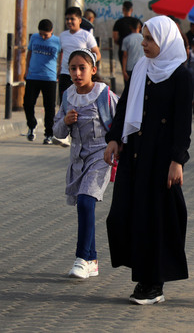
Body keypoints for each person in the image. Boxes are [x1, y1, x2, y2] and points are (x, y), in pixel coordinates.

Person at [103, 16, 193, 305]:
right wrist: (115, 138)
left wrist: (177, 160)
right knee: (126, 214)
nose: (143, 44)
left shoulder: (180, 75)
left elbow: (183, 123)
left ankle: (154, 283)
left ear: (165, 41)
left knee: (157, 218)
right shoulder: (142, 68)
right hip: (136, 153)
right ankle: (144, 276)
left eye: (150, 39)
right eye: (143, 38)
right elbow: (125, 106)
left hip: (161, 158)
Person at [53, 48, 118, 279]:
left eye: (82, 68)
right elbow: (57, 130)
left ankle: (81, 258)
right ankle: (92, 259)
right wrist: (66, 120)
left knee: (86, 201)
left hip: (101, 156)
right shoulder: (67, 95)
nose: (78, 73)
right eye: (73, 68)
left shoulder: (104, 94)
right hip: (78, 159)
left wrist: (118, 147)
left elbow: (120, 123)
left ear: (93, 70)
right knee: (83, 203)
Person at [23, 19, 61, 144]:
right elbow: (29, 53)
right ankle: (32, 125)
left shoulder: (58, 41)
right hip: (33, 76)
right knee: (28, 103)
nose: (43, 37)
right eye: (41, 34)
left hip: (49, 77)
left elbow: (62, 56)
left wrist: (59, 70)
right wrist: (26, 69)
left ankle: (48, 134)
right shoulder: (34, 38)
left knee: (49, 107)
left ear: (52, 32)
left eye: (46, 35)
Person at [58, 7, 102, 104]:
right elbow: (60, 53)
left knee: (81, 102)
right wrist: (58, 70)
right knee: (65, 102)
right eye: (67, 19)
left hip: (81, 75)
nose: (69, 21)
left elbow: (97, 54)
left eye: (72, 19)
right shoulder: (62, 36)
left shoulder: (86, 35)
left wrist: (88, 65)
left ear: (80, 20)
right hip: (65, 74)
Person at [112, 1, 137, 71]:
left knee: (125, 71)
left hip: (123, 50)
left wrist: (121, 43)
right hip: (135, 50)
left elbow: (115, 38)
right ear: (131, 10)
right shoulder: (136, 22)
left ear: (123, 9)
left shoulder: (118, 23)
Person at [121, 18, 143, 88]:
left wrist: (124, 71)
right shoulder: (144, 39)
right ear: (140, 27)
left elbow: (125, 56)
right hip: (142, 67)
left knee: (130, 89)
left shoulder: (126, 39)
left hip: (130, 68)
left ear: (130, 27)